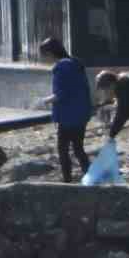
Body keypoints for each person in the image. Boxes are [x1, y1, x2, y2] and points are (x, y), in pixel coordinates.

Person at [38, 37, 92, 184]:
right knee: (78, 148)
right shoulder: (75, 63)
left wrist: (44, 101)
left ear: (50, 53)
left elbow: (61, 94)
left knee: (63, 149)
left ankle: (67, 180)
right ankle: (90, 175)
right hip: (82, 113)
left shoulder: (61, 67)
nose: (44, 59)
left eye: (44, 55)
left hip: (68, 115)